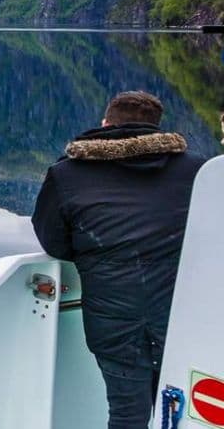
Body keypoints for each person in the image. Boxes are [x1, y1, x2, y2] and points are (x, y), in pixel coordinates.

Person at [32, 91, 205, 428]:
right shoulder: (197, 170)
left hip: (112, 319)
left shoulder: (67, 175)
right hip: (178, 315)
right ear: (156, 129)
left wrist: (97, 249)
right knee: (179, 411)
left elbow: (53, 241)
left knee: (126, 413)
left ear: (105, 124)